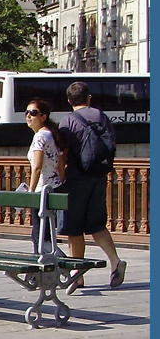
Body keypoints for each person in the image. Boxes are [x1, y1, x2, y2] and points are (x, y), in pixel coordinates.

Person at [58, 81, 126, 292]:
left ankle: (77, 274)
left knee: (74, 228)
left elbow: (64, 153)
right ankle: (115, 261)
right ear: (89, 98)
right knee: (97, 224)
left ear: (69, 101)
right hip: (98, 177)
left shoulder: (67, 121)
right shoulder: (101, 117)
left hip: (76, 179)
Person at [24, 98, 64, 255]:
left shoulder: (40, 137)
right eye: (26, 112)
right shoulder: (52, 135)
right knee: (46, 235)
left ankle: (45, 269)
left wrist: (31, 192)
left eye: (33, 113)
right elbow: (60, 166)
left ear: (44, 116)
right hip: (54, 188)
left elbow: (37, 167)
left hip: (42, 191)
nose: (28, 116)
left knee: (39, 236)